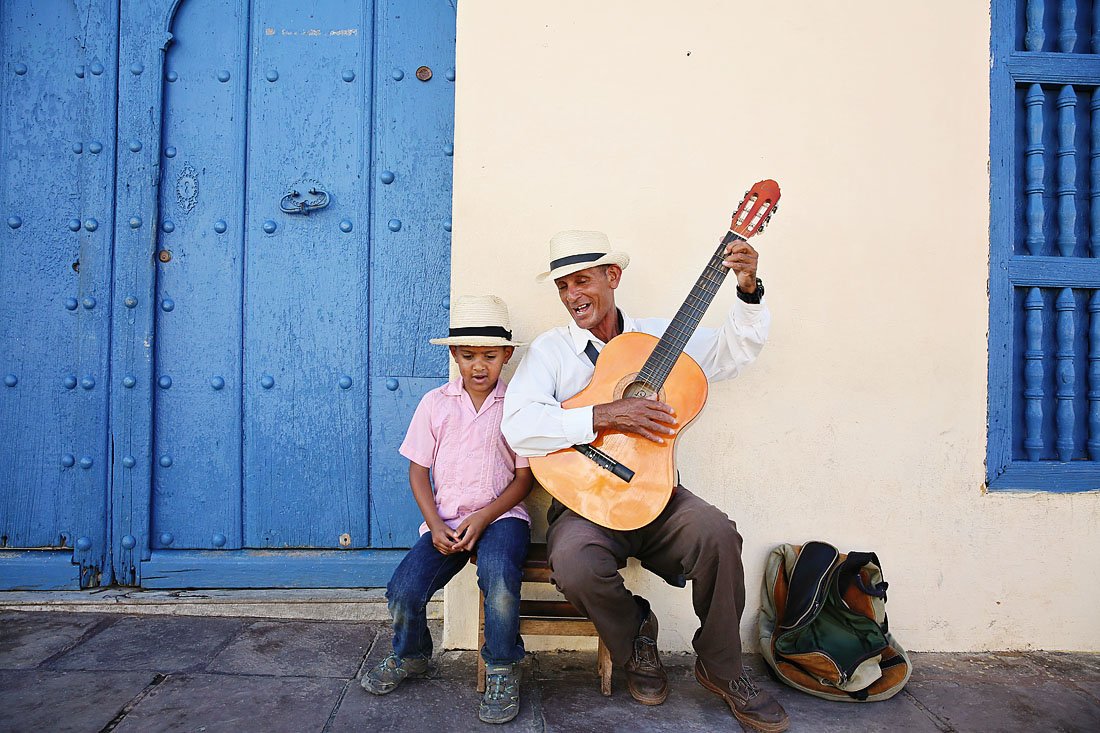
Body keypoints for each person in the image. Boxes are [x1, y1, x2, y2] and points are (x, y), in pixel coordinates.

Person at [501, 230, 790, 732]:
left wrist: (747, 289)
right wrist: (607, 414)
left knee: (718, 532)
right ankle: (637, 636)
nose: (573, 296)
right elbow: (518, 426)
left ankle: (722, 667)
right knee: (571, 562)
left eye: (583, 281)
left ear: (613, 277)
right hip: (585, 501)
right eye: (563, 287)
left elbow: (729, 354)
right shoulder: (551, 351)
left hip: (657, 494)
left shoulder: (660, 340)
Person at [362, 295, 534, 726]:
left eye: (490, 356)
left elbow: (524, 479)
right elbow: (418, 472)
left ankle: (502, 667)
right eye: (469, 355)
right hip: (447, 521)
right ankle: (412, 654)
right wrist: (435, 524)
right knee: (403, 588)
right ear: (455, 355)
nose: (480, 365)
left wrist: (486, 516)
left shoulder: (517, 405)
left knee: (498, 578)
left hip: (503, 518)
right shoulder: (435, 404)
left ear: (506, 356)